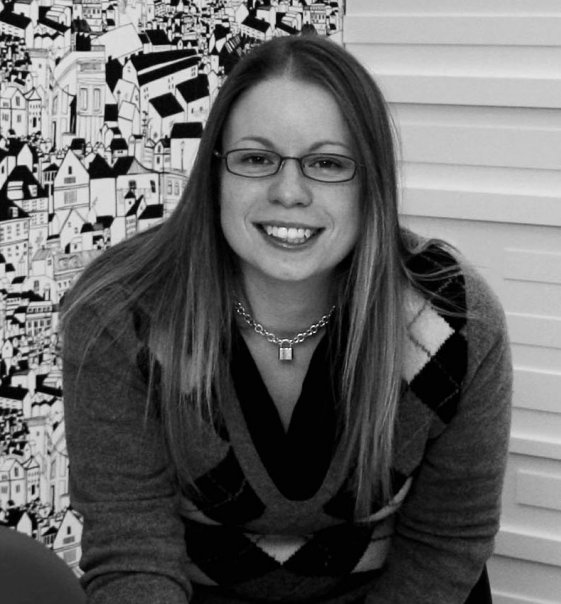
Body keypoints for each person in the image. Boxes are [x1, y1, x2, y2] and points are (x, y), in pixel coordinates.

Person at [61, 34, 512, 604]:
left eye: (328, 163)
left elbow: (446, 543)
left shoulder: (454, 322)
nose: (289, 192)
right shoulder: (119, 313)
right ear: (216, 172)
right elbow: (133, 551)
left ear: (371, 183)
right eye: (256, 159)